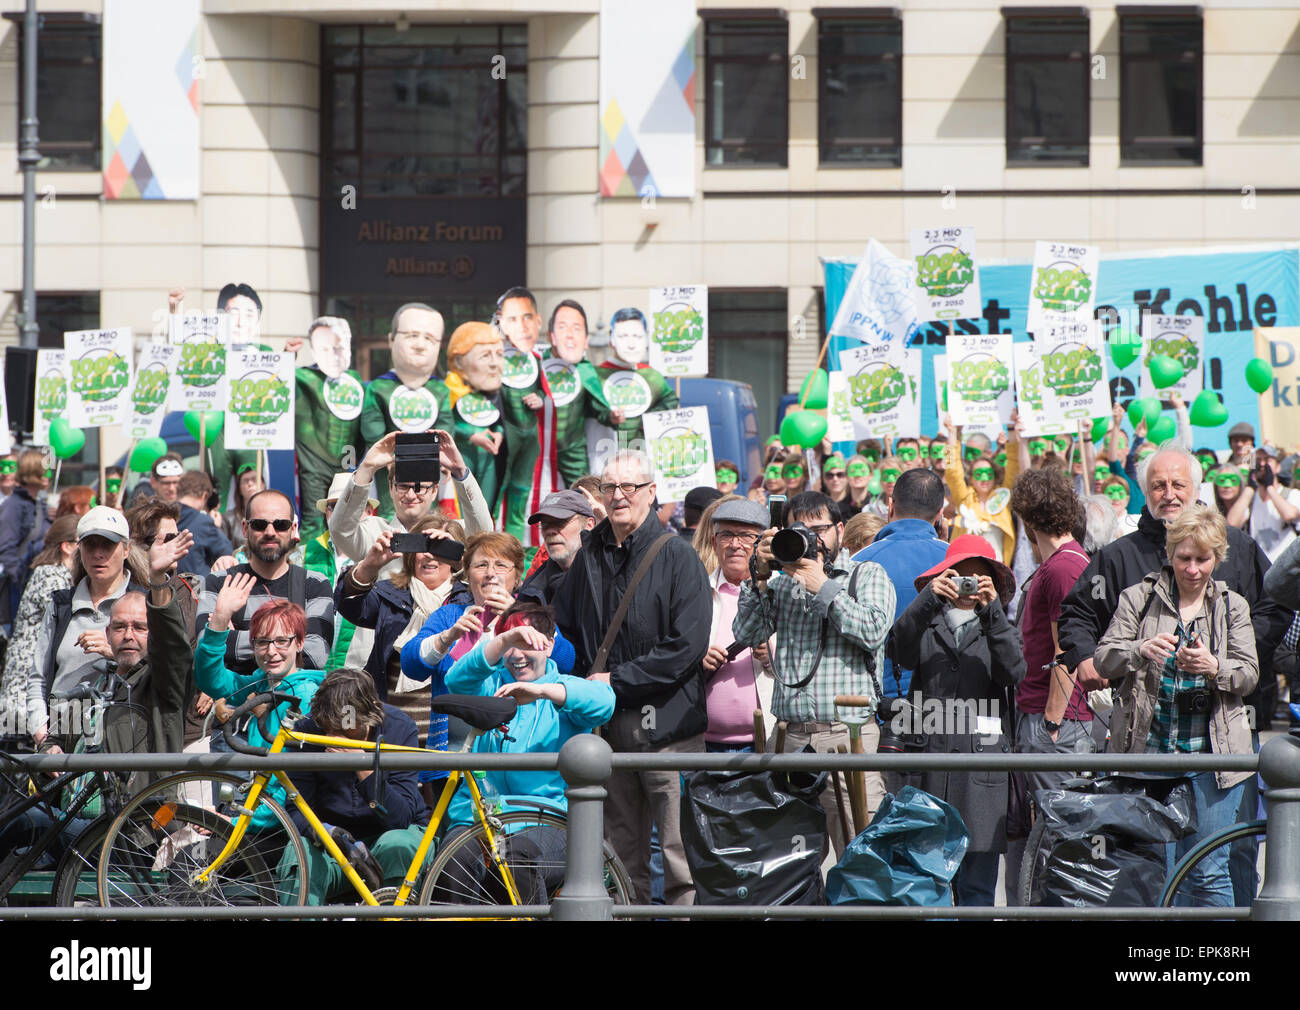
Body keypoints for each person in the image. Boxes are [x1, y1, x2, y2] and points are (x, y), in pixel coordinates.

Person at [551, 450, 711, 905]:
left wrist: (615, 680)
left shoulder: (678, 556)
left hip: (668, 729)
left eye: (629, 487)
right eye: (610, 487)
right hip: (608, 725)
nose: (619, 496)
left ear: (651, 493)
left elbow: (687, 646)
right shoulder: (590, 555)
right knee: (620, 851)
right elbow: (565, 628)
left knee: (679, 853)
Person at [1095, 504, 1259, 906]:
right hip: (1148, 752)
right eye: (1184, 558)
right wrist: (1140, 649)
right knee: (1156, 869)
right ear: (1169, 554)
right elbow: (1104, 658)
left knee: (1207, 868)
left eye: (1203, 559)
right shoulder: (1138, 597)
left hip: (1212, 758)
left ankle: (1216, 962)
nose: (1193, 569)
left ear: (1217, 558)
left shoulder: (1231, 605)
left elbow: (1250, 674)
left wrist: (1214, 665)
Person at [734, 489, 896, 856]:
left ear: (840, 529)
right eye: (800, 530)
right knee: (790, 863)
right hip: (790, 738)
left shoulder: (866, 574)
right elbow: (746, 635)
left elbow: (872, 630)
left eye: (819, 530)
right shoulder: (780, 582)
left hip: (849, 737)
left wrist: (822, 586)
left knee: (861, 854)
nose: (811, 540)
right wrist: (757, 577)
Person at [888, 535, 1024, 906]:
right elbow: (899, 649)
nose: (968, 586)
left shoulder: (999, 627)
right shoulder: (926, 622)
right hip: (928, 766)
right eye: (959, 576)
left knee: (978, 889)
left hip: (980, 775)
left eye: (978, 579)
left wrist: (992, 610)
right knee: (924, 885)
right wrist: (928, 597)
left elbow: (1013, 670)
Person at [402, 531, 576, 801]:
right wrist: (448, 637)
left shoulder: (531, 616)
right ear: (467, 575)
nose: (491, 574)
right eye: (481, 565)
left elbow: (566, 661)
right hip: (453, 760)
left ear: (517, 577)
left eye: (501, 566)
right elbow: (411, 665)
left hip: (519, 759)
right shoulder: (450, 615)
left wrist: (517, 615)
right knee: (455, 838)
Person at [443, 599, 615, 827]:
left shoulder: (563, 688)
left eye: (525, 644)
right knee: (453, 862)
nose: (516, 655)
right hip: (476, 818)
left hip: (540, 819)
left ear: (550, 645)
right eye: (509, 645)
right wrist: (502, 639)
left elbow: (604, 702)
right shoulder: (490, 687)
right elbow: (455, 681)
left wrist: (542, 691)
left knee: (524, 858)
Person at [276, 667, 432, 905]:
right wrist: (324, 832)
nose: (334, 734)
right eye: (328, 726)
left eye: (345, 725)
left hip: (389, 835)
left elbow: (400, 818)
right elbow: (296, 807)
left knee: (398, 844)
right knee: (298, 854)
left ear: (368, 713)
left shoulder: (399, 728)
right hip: (332, 843)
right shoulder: (310, 729)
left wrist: (362, 765)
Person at [198, 584, 325, 829]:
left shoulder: (306, 697)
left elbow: (290, 786)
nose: (271, 651)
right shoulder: (262, 683)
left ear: (299, 643)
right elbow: (211, 680)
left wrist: (235, 823)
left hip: (284, 827)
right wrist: (220, 620)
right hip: (261, 816)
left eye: (281, 641)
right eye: (262, 642)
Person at [333, 518, 466, 739]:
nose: (430, 555)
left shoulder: (470, 601)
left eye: (440, 548)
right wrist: (370, 565)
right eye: (422, 547)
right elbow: (350, 605)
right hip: (391, 733)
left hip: (447, 738)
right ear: (411, 555)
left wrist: (465, 562)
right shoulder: (390, 594)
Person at [31, 507, 151, 747]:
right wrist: (42, 738)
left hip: (121, 739)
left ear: (126, 549)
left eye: (107, 545)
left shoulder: (144, 604)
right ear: (79, 549)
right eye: (90, 545)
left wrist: (113, 651)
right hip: (60, 741)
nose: (98, 554)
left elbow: (160, 671)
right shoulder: (61, 604)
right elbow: (38, 678)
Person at [195, 489, 334, 676]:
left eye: (281, 525)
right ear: (245, 528)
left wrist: (226, 635)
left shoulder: (314, 584)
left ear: (293, 530)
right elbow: (205, 647)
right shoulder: (219, 582)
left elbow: (315, 655)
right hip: (234, 701)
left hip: (294, 702)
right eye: (259, 524)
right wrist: (288, 643)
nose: (270, 532)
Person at [851, 468, 949, 720]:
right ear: (940, 514)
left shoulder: (857, 562)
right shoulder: (958, 561)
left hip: (878, 710)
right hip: (947, 710)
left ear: (891, 506)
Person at [328, 429, 491, 575]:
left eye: (419, 488)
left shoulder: (451, 533)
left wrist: (460, 471)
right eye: (403, 486)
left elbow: (483, 534)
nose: (411, 495)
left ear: (434, 491)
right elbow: (339, 531)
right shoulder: (374, 532)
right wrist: (366, 468)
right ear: (391, 488)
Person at [696, 498, 774, 752]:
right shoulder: (696, 592)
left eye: (746, 536)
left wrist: (773, 655)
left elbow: (808, 661)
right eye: (726, 535)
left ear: (761, 544)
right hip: (703, 742)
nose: (735, 545)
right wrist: (698, 659)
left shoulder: (782, 591)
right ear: (713, 543)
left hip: (768, 742)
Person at [359, 301, 447, 518]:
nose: (420, 345)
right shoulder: (379, 388)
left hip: (430, 477)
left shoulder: (440, 389)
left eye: (430, 338)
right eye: (412, 335)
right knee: (390, 517)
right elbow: (373, 434)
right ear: (391, 339)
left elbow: (447, 431)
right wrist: (391, 460)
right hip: (387, 475)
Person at [284, 316, 364, 542]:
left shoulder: (354, 380)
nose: (333, 353)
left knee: (348, 517)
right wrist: (288, 355)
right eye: (326, 347)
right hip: (314, 461)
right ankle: (313, 571)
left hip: (346, 460)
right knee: (314, 518)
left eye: (338, 346)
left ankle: (347, 565)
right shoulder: (304, 376)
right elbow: (276, 381)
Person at [495, 286, 562, 547]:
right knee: (495, 492)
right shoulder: (494, 353)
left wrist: (540, 398)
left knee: (520, 495)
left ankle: (511, 551)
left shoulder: (537, 357)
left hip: (529, 436)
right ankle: (486, 546)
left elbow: (550, 391)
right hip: (502, 435)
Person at [0, 515, 78, 731]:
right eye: (85, 542)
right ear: (68, 547)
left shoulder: (62, 574)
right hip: (25, 689)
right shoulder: (49, 574)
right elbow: (67, 615)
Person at [542, 299, 620, 486]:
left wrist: (612, 416)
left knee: (581, 497)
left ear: (586, 340)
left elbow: (598, 408)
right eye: (563, 327)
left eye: (577, 328)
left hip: (573, 451)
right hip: (538, 450)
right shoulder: (535, 365)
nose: (570, 335)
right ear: (550, 335)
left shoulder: (585, 371)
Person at [944, 420, 1020, 566]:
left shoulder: (1003, 497)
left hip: (997, 570)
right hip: (965, 568)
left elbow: (1014, 465)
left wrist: (1011, 428)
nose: (984, 479)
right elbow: (952, 471)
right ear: (971, 479)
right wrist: (952, 433)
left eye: (988, 474)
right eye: (979, 474)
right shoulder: (965, 498)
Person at [0, 448, 51, 625]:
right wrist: (21, 581)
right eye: (45, 470)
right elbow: (6, 549)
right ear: (33, 471)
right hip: (17, 590)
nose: (48, 475)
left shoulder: (37, 504)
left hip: (32, 585)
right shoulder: (14, 505)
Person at [1226, 446, 1300, 562]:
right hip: (1261, 568)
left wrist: (1270, 487)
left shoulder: (1292, 494)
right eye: (1258, 460)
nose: (1262, 464)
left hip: (1287, 569)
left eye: (1267, 460)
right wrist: (1250, 487)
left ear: (1278, 466)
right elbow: (1232, 523)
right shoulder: (1249, 499)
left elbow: (1289, 515)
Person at [519, 490, 596, 601]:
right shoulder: (531, 589)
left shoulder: (608, 577)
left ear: (588, 525)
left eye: (560, 522)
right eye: (545, 524)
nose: (550, 531)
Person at [175, 470, 235, 578]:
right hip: (194, 587)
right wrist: (217, 528)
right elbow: (226, 551)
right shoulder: (203, 522)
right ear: (204, 495)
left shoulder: (163, 516)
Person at [224, 463, 265, 553]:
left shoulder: (274, 513)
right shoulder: (229, 518)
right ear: (239, 489)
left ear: (263, 485)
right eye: (245, 481)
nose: (250, 484)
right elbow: (223, 551)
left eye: (254, 479)